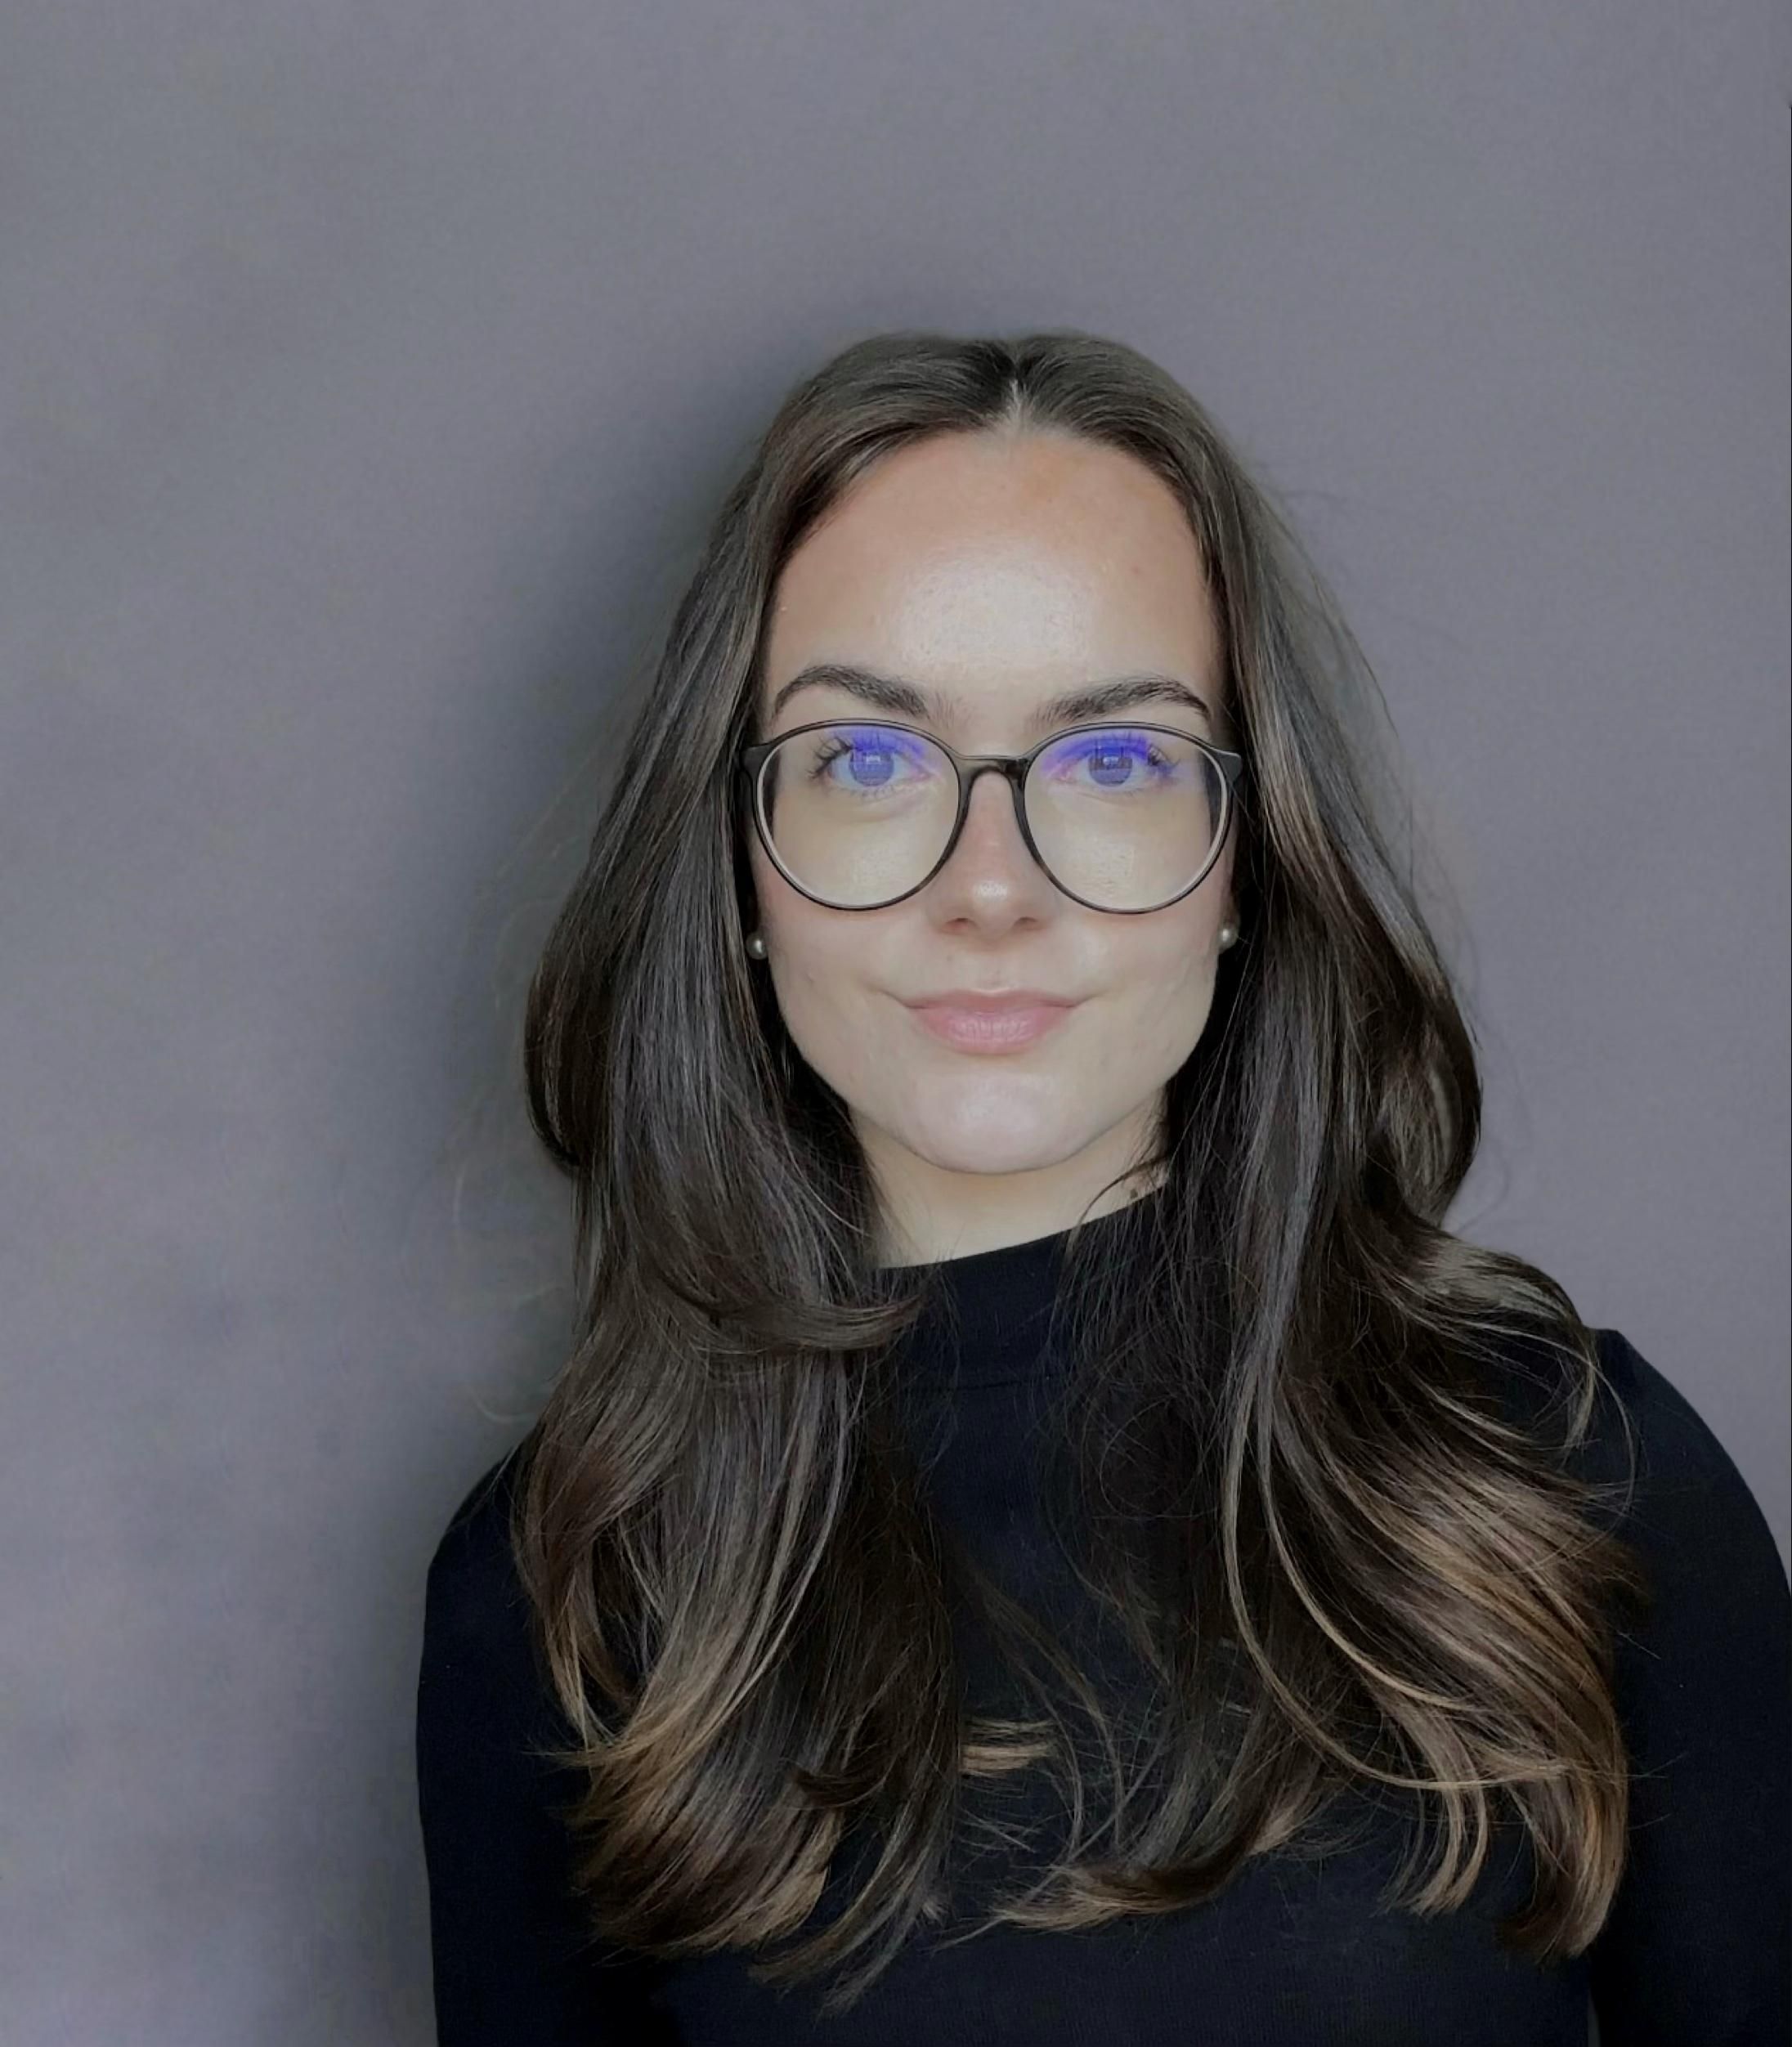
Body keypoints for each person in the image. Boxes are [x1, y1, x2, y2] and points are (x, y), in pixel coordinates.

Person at [414, 329, 1791, 2045]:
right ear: (740, 868)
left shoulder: (1569, 1473)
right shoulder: (563, 1590)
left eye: (1118, 760)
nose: (991, 888)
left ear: (1241, 864)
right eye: (866, 759)